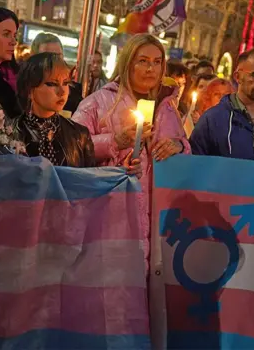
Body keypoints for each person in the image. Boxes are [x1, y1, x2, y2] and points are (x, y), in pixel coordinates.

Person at [73, 34, 190, 269]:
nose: (151, 69)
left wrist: (180, 146)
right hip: (112, 216)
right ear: (128, 63)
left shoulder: (168, 106)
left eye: (157, 62)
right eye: (143, 61)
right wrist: (114, 141)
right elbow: (73, 147)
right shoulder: (97, 103)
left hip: (159, 217)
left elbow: (183, 148)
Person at [14, 52, 95, 167]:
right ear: (30, 90)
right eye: (52, 84)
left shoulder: (79, 134)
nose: (62, 92)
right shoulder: (9, 133)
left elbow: (90, 180)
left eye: (66, 83)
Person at [29, 32, 83, 113]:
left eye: (58, 56)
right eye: (48, 56)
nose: (54, 61)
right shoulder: (24, 90)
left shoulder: (73, 95)